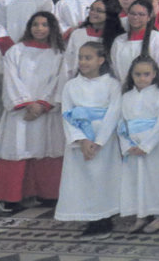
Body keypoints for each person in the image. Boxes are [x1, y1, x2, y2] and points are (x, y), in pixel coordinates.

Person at [0, 12, 67, 213]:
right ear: (29, 27)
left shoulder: (59, 54)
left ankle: (49, 194)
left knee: (48, 149)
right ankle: (10, 197)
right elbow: (11, 79)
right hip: (22, 113)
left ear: (52, 28)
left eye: (45, 24)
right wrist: (26, 103)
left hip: (45, 111)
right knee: (17, 150)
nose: (39, 28)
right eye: (35, 24)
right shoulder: (16, 51)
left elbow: (60, 81)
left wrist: (44, 103)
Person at [55, 41, 121, 238]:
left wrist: (99, 141)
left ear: (101, 60)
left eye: (88, 57)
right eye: (81, 57)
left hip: (104, 139)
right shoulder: (71, 86)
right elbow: (67, 113)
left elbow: (114, 113)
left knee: (103, 178)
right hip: (80, 140)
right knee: (82, 180)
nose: (83, 61)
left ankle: (105, 218)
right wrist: (81, 140)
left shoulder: (112, 84)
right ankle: (89, 217)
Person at [118, 55, 159, 234]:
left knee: (157, 179)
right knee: (136, 180)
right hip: (132, 146)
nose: (142, 78)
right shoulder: (126, 97)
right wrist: (127, 144)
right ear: (131, 75)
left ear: (154, 75)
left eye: (146, 74)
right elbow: (121, 123)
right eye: (137, 74)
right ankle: (140, 215)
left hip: (155, 147)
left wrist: (146, 146)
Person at [110, 0, 159, 99]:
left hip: (153, 95)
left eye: (141, 14)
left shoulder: (157, 38)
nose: (135, 17)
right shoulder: (119, 41)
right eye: (132, 13)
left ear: (149, 17)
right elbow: (115, 71)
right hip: (127, 95)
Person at [63, 0, 125, 78]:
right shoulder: (78, 34)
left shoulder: (118, 38)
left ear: (110, 15)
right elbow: (68, 63)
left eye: (98, 11)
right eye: (91, 9)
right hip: (79, 82)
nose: (92, 13)